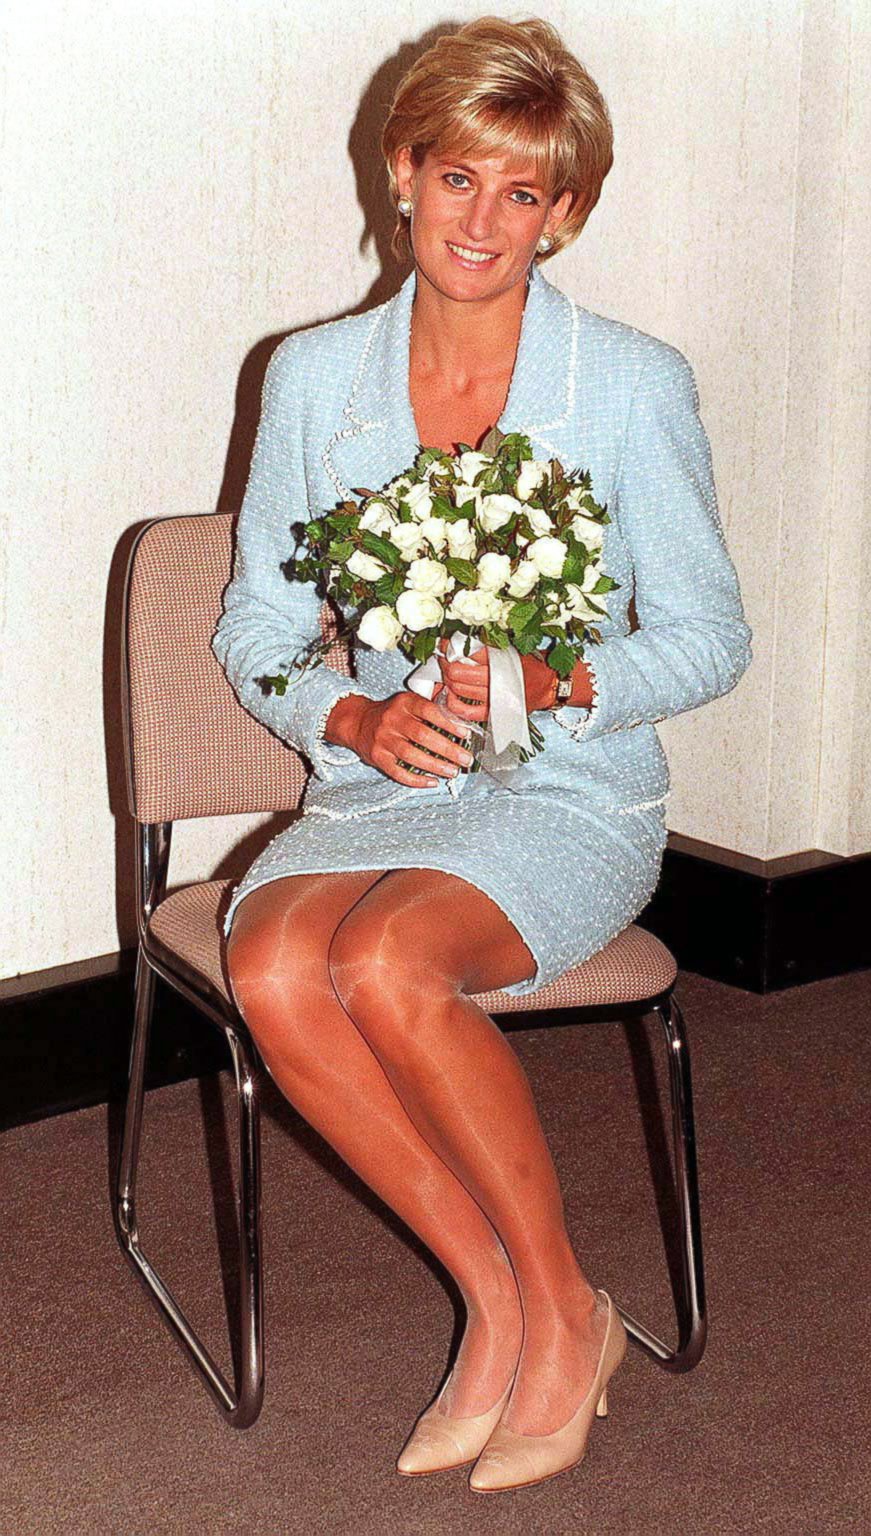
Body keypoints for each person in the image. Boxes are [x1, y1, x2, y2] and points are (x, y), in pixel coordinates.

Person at [212, 15, 752, 1494]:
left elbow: (710, 638)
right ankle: (524, 1305)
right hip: (380, 782)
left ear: (567, 211)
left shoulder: (632, 384)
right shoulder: (315, 376)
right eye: (461, 179)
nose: (486, 222)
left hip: (571, 791)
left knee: (385, 963)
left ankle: (555, 1303)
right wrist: (350, 714)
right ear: (404, 174)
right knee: (272, 965)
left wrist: (549, 676)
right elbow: (254, 618)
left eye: (526, 194)